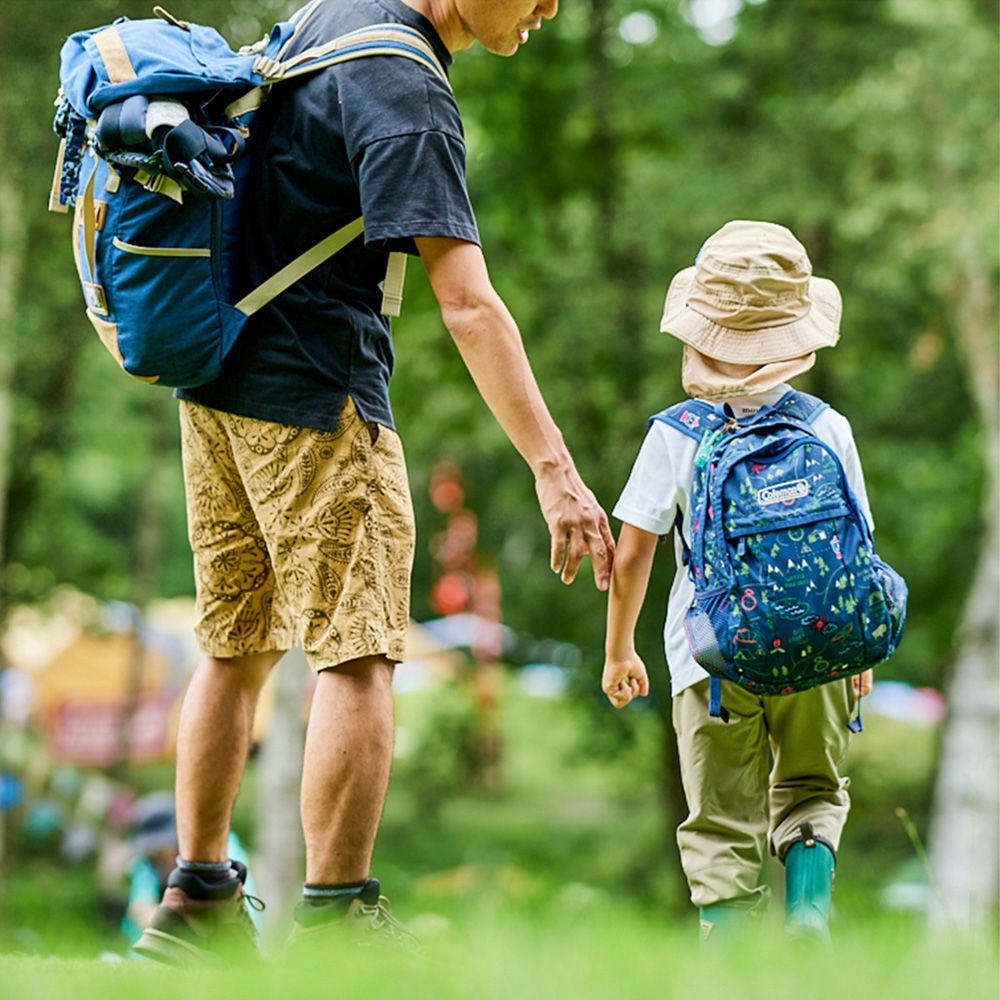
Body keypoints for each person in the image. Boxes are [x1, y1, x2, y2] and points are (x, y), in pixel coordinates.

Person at [134, 0, 613, 965]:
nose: (550, 7)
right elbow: (469, 303)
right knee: (357, 652)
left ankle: (195, 902)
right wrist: (555, 472)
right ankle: (336, 921)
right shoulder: (406, 83)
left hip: (217, 379)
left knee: (234, 643)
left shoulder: (325, 18)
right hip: (317, 395)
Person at [602, 220, 876, 942]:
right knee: (813, 785)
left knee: (721, 818)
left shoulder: (679, 431)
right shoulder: (827, 426)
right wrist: (862, 656)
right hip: (819, 646)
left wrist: (619, 649)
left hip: (709, 654)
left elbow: (634, 551)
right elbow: (857, 548)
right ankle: (809, 912)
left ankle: (727, 962)